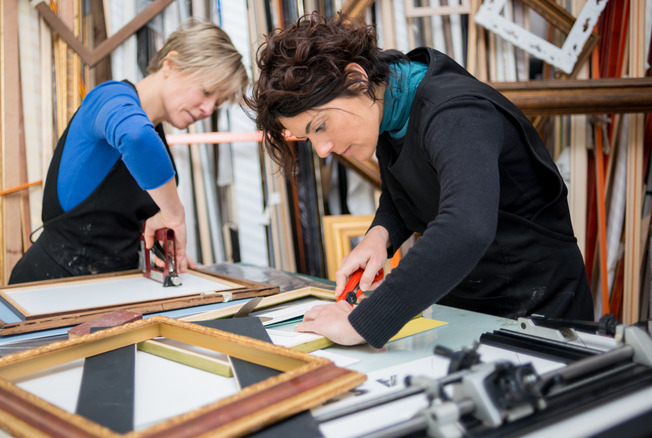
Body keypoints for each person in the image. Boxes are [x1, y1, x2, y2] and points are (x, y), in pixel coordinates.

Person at [246, 13, 593, 348]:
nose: (322, 150)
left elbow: (465, 227)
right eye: (308, 139)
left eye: (320, 126)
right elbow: (411, 186)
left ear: (356, 79)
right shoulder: (385, 104)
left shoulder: (456, 113)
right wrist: (379, 237)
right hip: (466, 300)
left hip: (539, 304)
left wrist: (363, 321)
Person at [9, 20, 249, 284]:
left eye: (217, 103)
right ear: (170, 65)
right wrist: (175, 213)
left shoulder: (156, 133)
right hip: (50, 287)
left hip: (108, 290)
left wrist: (156, 245)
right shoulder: (110, 97)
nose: (207, 109)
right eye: (206, 92)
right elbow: (135, 136)